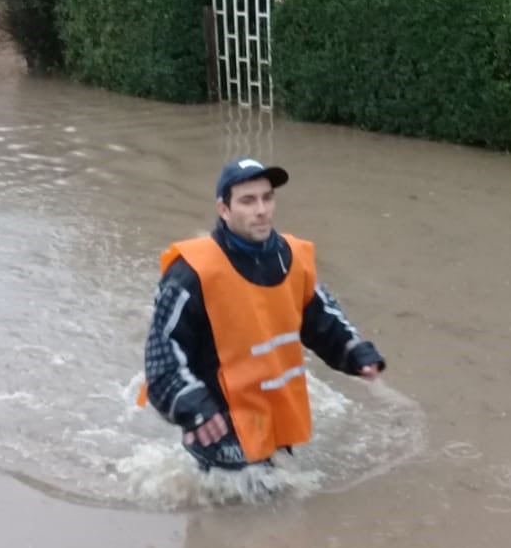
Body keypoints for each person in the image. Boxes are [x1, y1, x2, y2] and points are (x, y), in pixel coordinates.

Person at [143, 156, 386, 471]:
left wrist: (355, 353)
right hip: (217, 421)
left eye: (267, 198)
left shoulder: (291, 257)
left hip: (274, 414)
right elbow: (162, 353)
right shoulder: (191, 272)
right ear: (224, 210)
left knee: (281, 499)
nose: (261, 210)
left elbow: (322, 320)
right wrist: (190, 404)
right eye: (247, 201)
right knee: (249, 512)